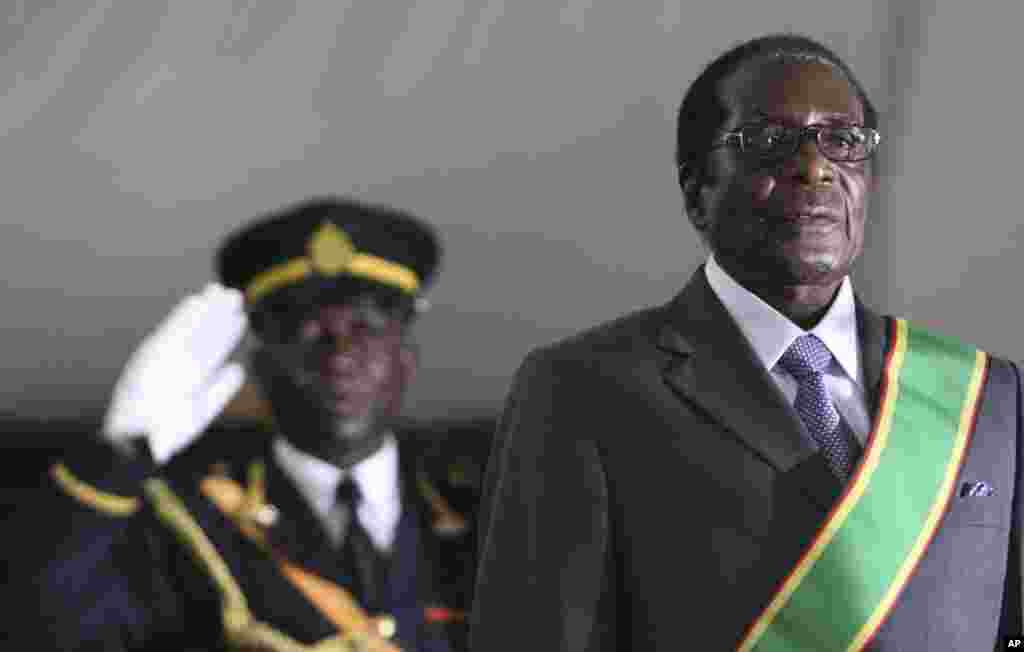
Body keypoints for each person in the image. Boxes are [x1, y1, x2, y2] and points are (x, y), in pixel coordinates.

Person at [469, 34, 1023, 651]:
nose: (814, 166)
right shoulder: (585, 388)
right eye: (768, 141)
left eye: (842, 140)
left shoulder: (984, 391)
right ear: (696, 190)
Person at [7, 197, 481, 651]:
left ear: (408, 357)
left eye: (366, 329)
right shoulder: (187, 516)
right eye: (309, 333)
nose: (340, 357)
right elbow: (42, 628)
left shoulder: (481, 501)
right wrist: (117, 456)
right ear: (261, 366)